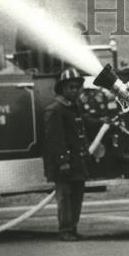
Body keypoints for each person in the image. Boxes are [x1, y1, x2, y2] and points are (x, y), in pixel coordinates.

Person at [43, 68, 90, 241]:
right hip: (63, 164)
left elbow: (83, 125)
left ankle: (73, 228)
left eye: (77, 87)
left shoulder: (74, 108)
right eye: (71, 87)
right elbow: (55, 139)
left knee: (77, 196)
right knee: (65, 197)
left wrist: (103, 122)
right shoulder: (55, 110)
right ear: (62, 88)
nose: (75, 90)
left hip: (77, 162)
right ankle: (65, 229)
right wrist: (63, 161)